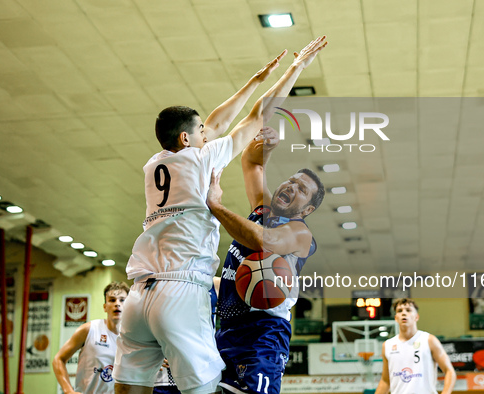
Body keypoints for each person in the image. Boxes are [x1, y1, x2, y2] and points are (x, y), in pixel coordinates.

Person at [113, 36, 328, 394]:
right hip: (179, 291)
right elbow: (257, 116)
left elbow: (213, 123)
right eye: (200, 132)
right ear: (186, 138)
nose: (207, 133)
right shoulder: (201, 159)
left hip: (140, 292)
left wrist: (253, 82)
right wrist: (297, 67)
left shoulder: (155, 164)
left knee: (129, 388)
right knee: (207, 388)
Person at [205, 126, 325, 394]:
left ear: (307, 209)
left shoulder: (300, 234)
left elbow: (264, 241)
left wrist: (216, 207)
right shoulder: (264, 208)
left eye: (302, 189)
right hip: (227, 329)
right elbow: (250, 162)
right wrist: (265, 146)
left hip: (263, 333)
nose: (292, 187)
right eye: (292, 181)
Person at [53, 281, 129, 394]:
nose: (117, 304)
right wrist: (68, 391)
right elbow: (58, 359)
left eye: (122, 300)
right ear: (105, 307)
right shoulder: (89, 329)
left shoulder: (134, 338)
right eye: (112, 300)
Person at [374, 298, 456, 394]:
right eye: (400, 311)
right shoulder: (387, 345)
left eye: (408, 310)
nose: (404, 313)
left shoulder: (429, 340)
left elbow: (449, 371)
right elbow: (385, 381)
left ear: (416, 317)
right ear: (396, 318)